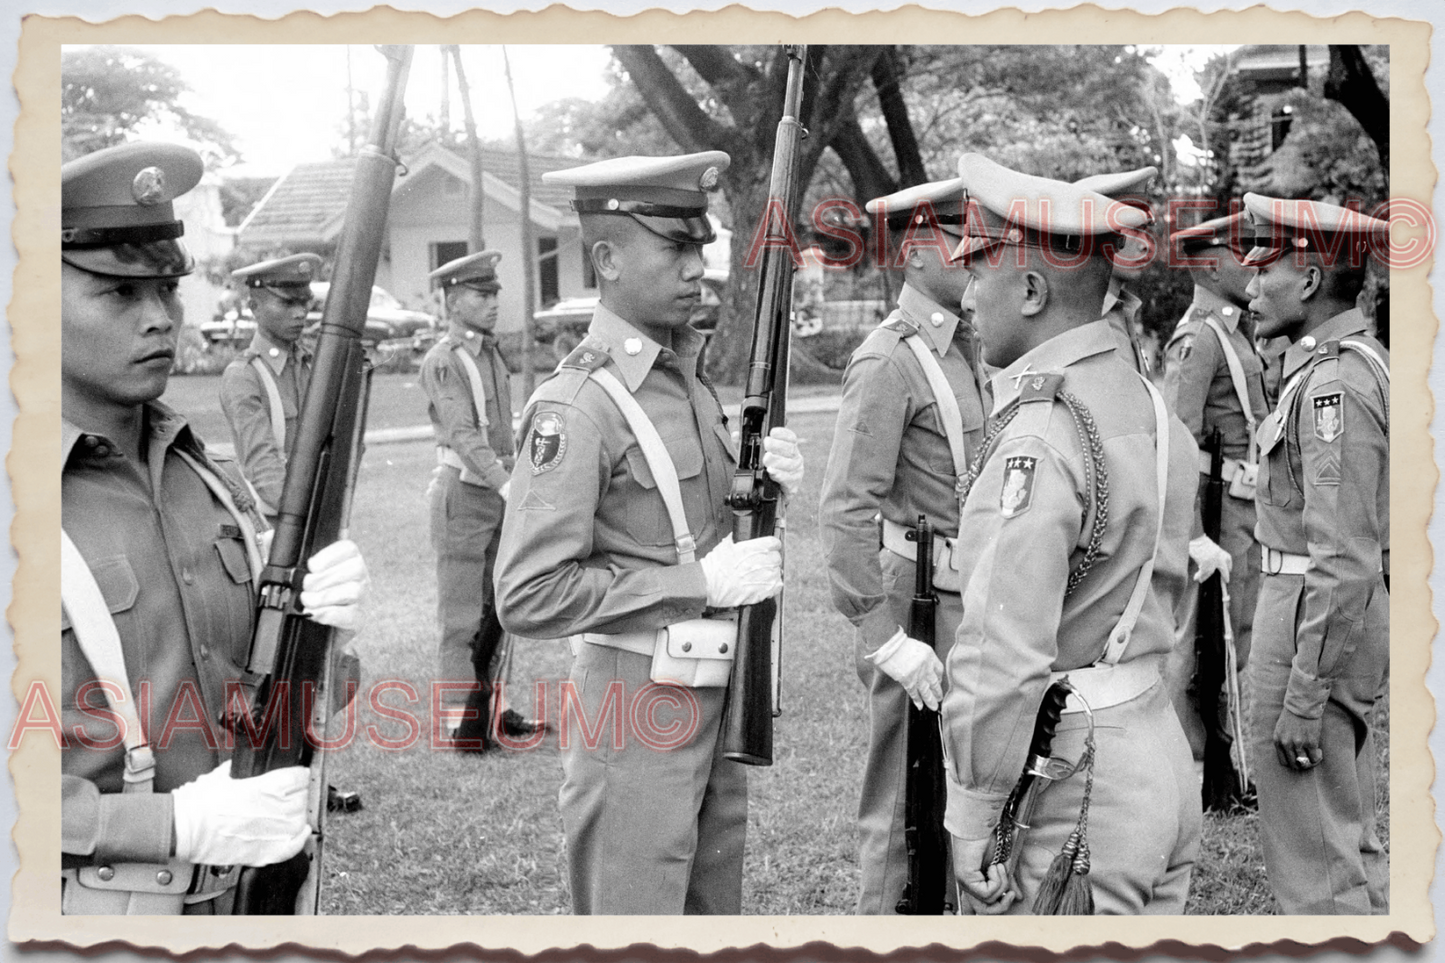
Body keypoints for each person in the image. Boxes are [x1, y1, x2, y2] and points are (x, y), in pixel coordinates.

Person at [60, 141, 369, 914]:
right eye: (119, 293)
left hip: (243, 901)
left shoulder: (204, 480)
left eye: (166, 288)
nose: (161, 317)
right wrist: (172, 822)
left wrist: (325, 641)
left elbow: (267, 697)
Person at [493, 151, 805, 915]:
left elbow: (699, 533)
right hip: (633, 711)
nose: (698, 266)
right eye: (675, 247)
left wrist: (769, 495)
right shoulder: (578, 405)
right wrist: (697, 584)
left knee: (709, 917)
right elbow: (527, 594)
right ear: (606, 259)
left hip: (712, 694)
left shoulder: (684, 380)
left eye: (699, 246)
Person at [939, 154, 1201, 914]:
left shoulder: (1040, 435)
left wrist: (970, 816)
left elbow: (998, 652)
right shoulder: (1147, 405)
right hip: (1153, 751)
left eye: (978, 270)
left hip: (1074, 787)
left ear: (1028, 289)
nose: (964, 296)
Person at [818, 177, 985, 914]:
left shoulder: (966, 346)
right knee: (902, 791)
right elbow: (844, 505)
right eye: (961, 240)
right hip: (912, 603)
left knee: (960, 780)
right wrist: (881, 637)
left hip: (967, 594)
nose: (978, 254)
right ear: (916, 253)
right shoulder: (887, 360)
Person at [1240, 192, 1390, 914]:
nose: (1246, 280)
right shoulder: (1335, 367)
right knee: (1344, 842)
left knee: (1316, 871)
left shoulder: (1332, 385)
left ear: (1305, 280)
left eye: (1261, 262)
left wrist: (1303, 694)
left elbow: (1340, 555)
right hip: (1320, 619)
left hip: (1311, 625)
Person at [1161, 210, 1269, 806]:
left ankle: (1220, 761)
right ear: (1206, 262)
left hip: (1243, 509)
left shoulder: (1234, 331)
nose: (1250, 259)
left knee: (1233, 637)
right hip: (1213, 513)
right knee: (1196, 642)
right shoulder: (1200, 335)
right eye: (1238, 250)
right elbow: (1179, 444)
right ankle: (1194, 767)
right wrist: (1193, 533)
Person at [419, 250, 538, 748]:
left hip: (496, 490)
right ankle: (458, 719)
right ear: (452, 300)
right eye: (480, 295)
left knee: (500, 607)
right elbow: (465, 434)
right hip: (466, 493)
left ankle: (496, 705)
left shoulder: (489, 353)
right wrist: (506, 482)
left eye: (494, 294)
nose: (492, 304)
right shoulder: (444, 359)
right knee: (462, 614)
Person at [219, 252, 324, 518]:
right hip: (276, 522)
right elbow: (264, 468)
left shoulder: (312, 364)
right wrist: (306, 514)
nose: (300, 313)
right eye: (288, 303)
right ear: (254, 307)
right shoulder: (244, 376)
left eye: (304, 302)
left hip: (314, 514)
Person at [1074, 167, 1157, 374]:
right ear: (1097, 233)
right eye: (1135, 230)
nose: (1146, 245)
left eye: (1146, 232)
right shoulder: (1083, 318)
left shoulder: (1120, 311)